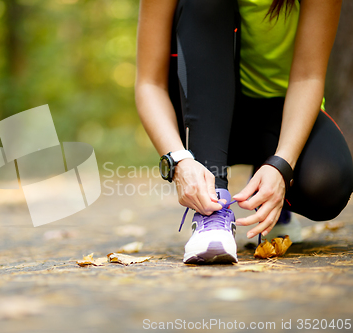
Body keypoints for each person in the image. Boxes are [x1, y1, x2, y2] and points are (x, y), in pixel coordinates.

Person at [135, 0, 353, 264]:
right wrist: (177, 159)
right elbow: (149, 84)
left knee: (326, 184)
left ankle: (271, 192)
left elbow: (308, 76)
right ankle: (212, 213)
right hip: (198, 109)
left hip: (282, 113)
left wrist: (282, 165)